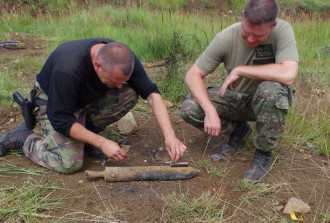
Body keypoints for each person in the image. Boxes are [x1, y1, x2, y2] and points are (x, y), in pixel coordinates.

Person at [0, 38, 187, 173]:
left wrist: (170, 136)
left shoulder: (123, 59)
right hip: (53, 103)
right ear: (97, 65)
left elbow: (152, 94)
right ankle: (24, 138)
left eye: (123, 80)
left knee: (128, 94)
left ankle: (83, 138)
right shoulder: (68, 69)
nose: (119, 86)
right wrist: (102, 142)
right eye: (114, 81)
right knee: (68, 163)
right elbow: (60, 118)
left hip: (82, 100)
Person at [180, 0, 298, 182]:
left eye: (258, 36)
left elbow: (289, 73)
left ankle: (263, 153)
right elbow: (193, 74)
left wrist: (241, 70)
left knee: (271, 90)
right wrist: (210, 110)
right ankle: (238, 130)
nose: (250, 40)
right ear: (242, 18)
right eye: (246, 33)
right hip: (237, 100)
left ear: (272, 26)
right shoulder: (226, 37)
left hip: (264, 103)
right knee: (190, 107)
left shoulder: (282, 30)